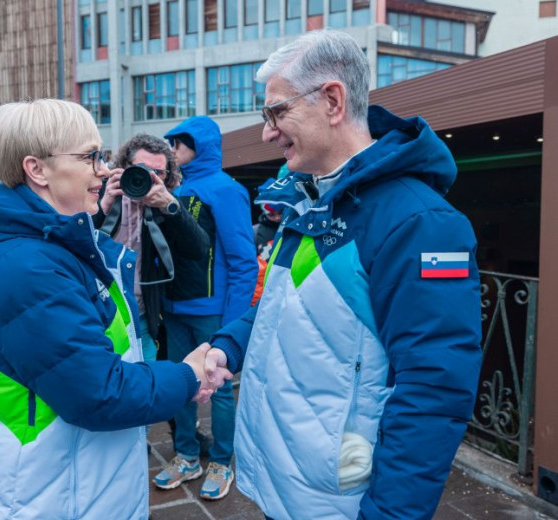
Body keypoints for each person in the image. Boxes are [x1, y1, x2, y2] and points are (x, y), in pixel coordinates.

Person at [203, 29, 483, 519]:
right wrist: (227, 344)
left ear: (332, 100)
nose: (268, 131)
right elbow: (283, 306)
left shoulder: (420, 223)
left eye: (277, 112)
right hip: (291, 483)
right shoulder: (309, 200)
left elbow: (434, 388)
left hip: (340, 499)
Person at [0, 99, 227, 519]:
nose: (104, 170)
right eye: (91, 156)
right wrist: (187, 375)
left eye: (103, 156)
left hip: (67, 488)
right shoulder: (26, 267)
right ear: (37, 170)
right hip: (43, 499)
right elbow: (99, 393)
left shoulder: (51, 245)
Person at [153, 116, 258, 500]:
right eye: (171, 143)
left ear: (201, 145)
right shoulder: (169, 188)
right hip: (174, 308)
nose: (173, 149)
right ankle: (186, 454)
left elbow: (244, 261)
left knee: (220, 390)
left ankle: (221, 459)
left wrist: (231, 326)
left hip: (213, 311)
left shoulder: (225, 190)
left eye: (181, 142)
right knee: (181, 382)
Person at [95, 133, 210, 366]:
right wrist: (103, 205)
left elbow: (199, 249)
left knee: (143, 385)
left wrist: (171, 206)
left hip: (141, 316)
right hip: (96, 312)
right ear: (124, 167)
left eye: (158, 173)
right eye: (141, 168)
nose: (149, 177)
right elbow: (69, 240)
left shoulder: (163, 205)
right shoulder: (98, 190)